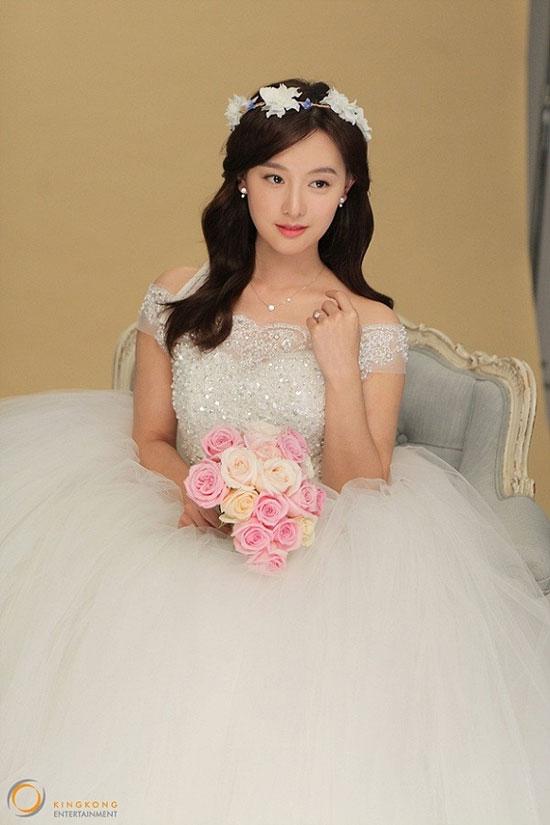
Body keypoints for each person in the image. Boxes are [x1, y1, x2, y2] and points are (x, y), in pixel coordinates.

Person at [1, 77, 550, 825]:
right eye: (274, 177)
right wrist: (198, 489)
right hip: (178, 529)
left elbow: (363, 484)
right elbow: (149, 437)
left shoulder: (369, 323)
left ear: (347, 191)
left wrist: (339, 366)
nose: (294, 205)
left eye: (319, 182)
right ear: (242, 181)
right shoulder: (177, 295)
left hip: (316, 555)